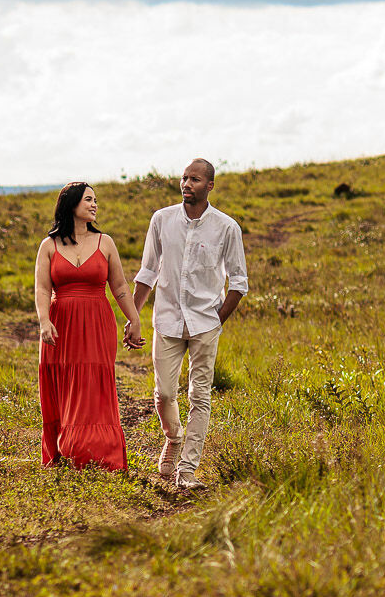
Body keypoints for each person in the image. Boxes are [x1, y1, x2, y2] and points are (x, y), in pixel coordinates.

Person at [131, 158, 248, 489]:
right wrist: (134, 316)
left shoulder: (227, 228)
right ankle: (174, 436)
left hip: (205, 323)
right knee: (164, 393)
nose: (186, 184)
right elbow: (148, 272)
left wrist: (216, 320)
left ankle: (187, 471)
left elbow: (239, 283)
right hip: (167, 320)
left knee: (200, 395)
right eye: (184, 178)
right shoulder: (162, 220)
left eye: (194, 179)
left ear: (209, 186)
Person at [36, 181, 143, 471]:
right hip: (61, 325)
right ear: (71, 204)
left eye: (95, 200)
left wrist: (134, 320)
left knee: (93, 384)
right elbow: (43, 289)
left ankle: (98, 452)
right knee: (65, 382)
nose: (94, 205)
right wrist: (44, 321)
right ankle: (63, 449)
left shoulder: (105, 242)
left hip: (97, 322)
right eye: (88, 200)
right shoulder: (49, 245)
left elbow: (120, 287)